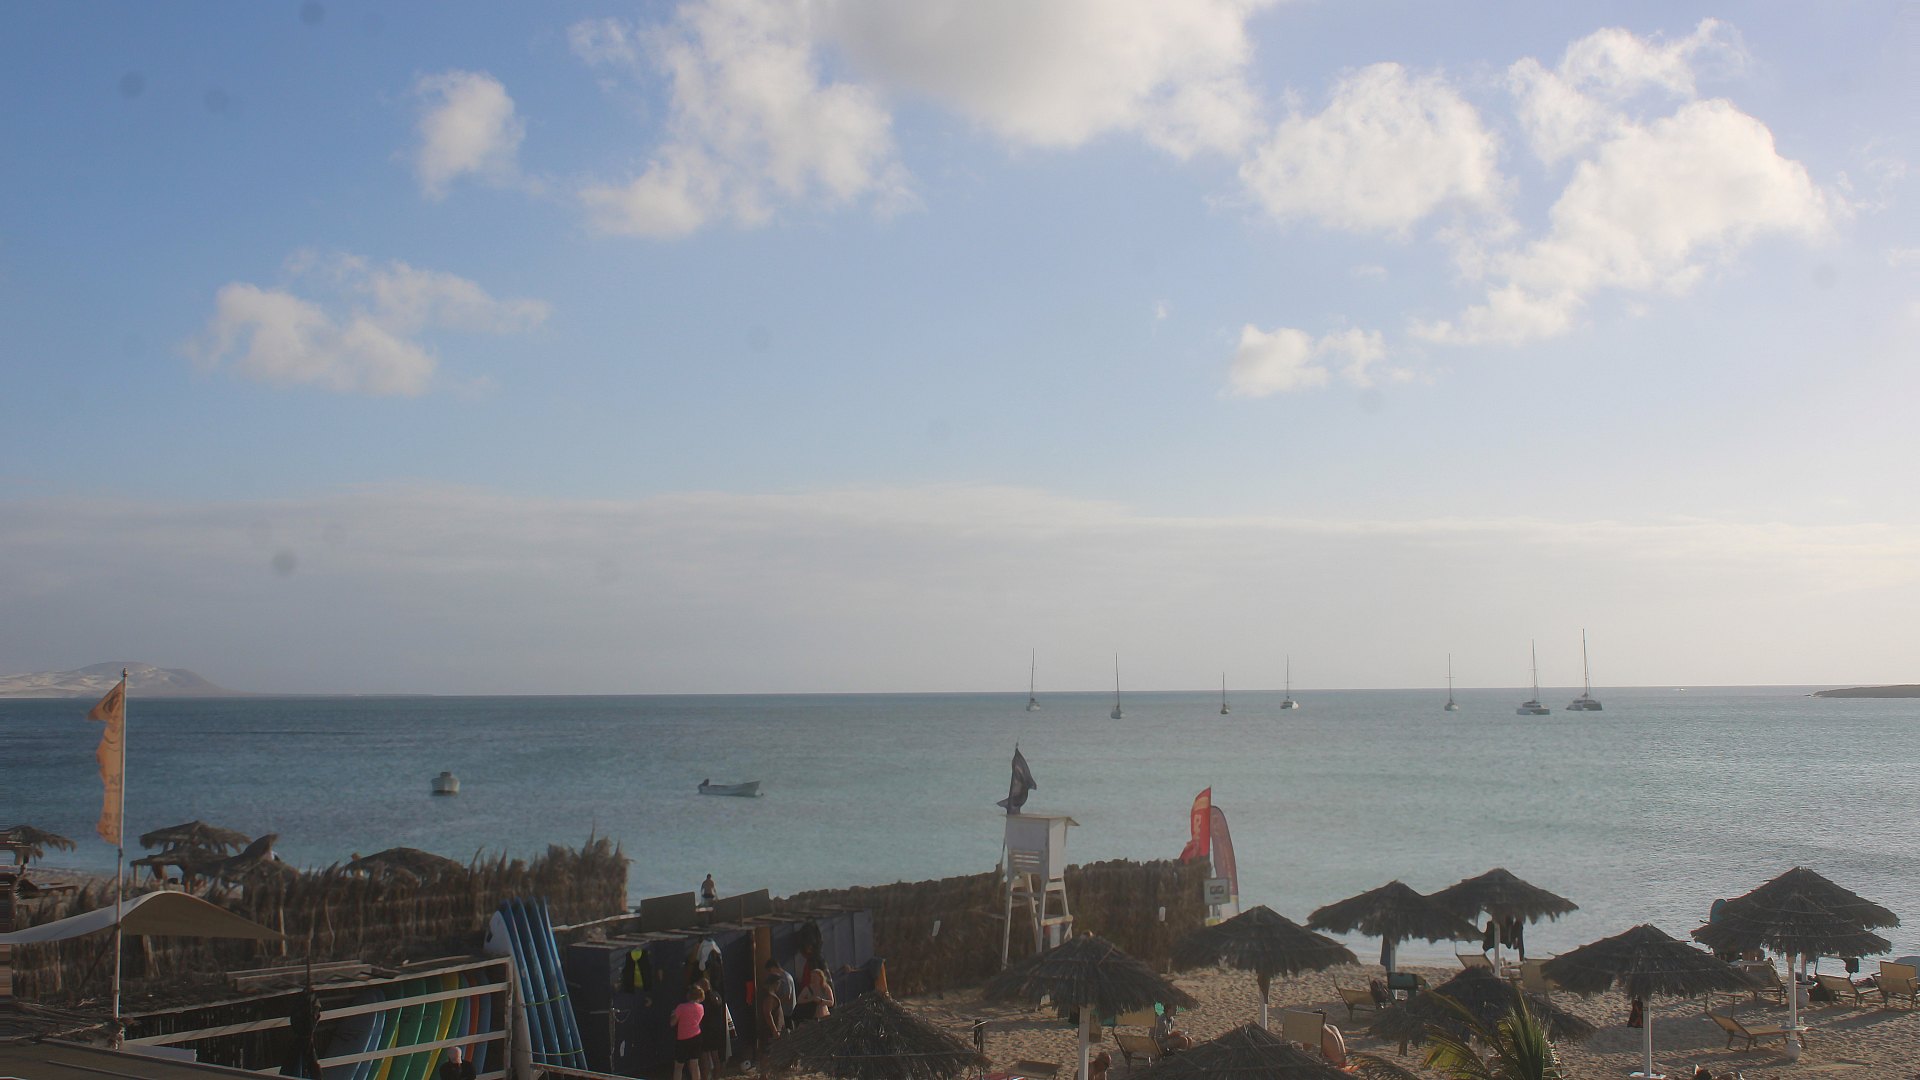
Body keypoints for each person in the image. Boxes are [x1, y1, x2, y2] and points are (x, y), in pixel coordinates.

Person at [756, 960, 787, 1063]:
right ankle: (764, 1072)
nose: (779, 986)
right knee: (767, 1052)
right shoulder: (769, 996)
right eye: (779, 983)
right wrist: (774, 1030)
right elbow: (767, 1013)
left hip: (768, 1030)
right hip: (769, 1031)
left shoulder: (766, 994)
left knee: (769, 1052)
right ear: (775, 984)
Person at [672, 986, 706, 1080]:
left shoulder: (681, 1007)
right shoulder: (701, 1007)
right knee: (694, 1065)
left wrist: (673, 1014)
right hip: (696, 1037)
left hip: (683, 1038)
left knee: (679, 1066)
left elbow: (672, 1023)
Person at [769, 960, 797, 1031]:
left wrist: (776, 1004)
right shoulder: (783, 977)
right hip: (784, 1012)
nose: (770, 973)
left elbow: (787, 997)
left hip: (787, 1012)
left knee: (789, 1032)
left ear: (774, 968)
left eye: (770, 970)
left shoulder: (785, 978)